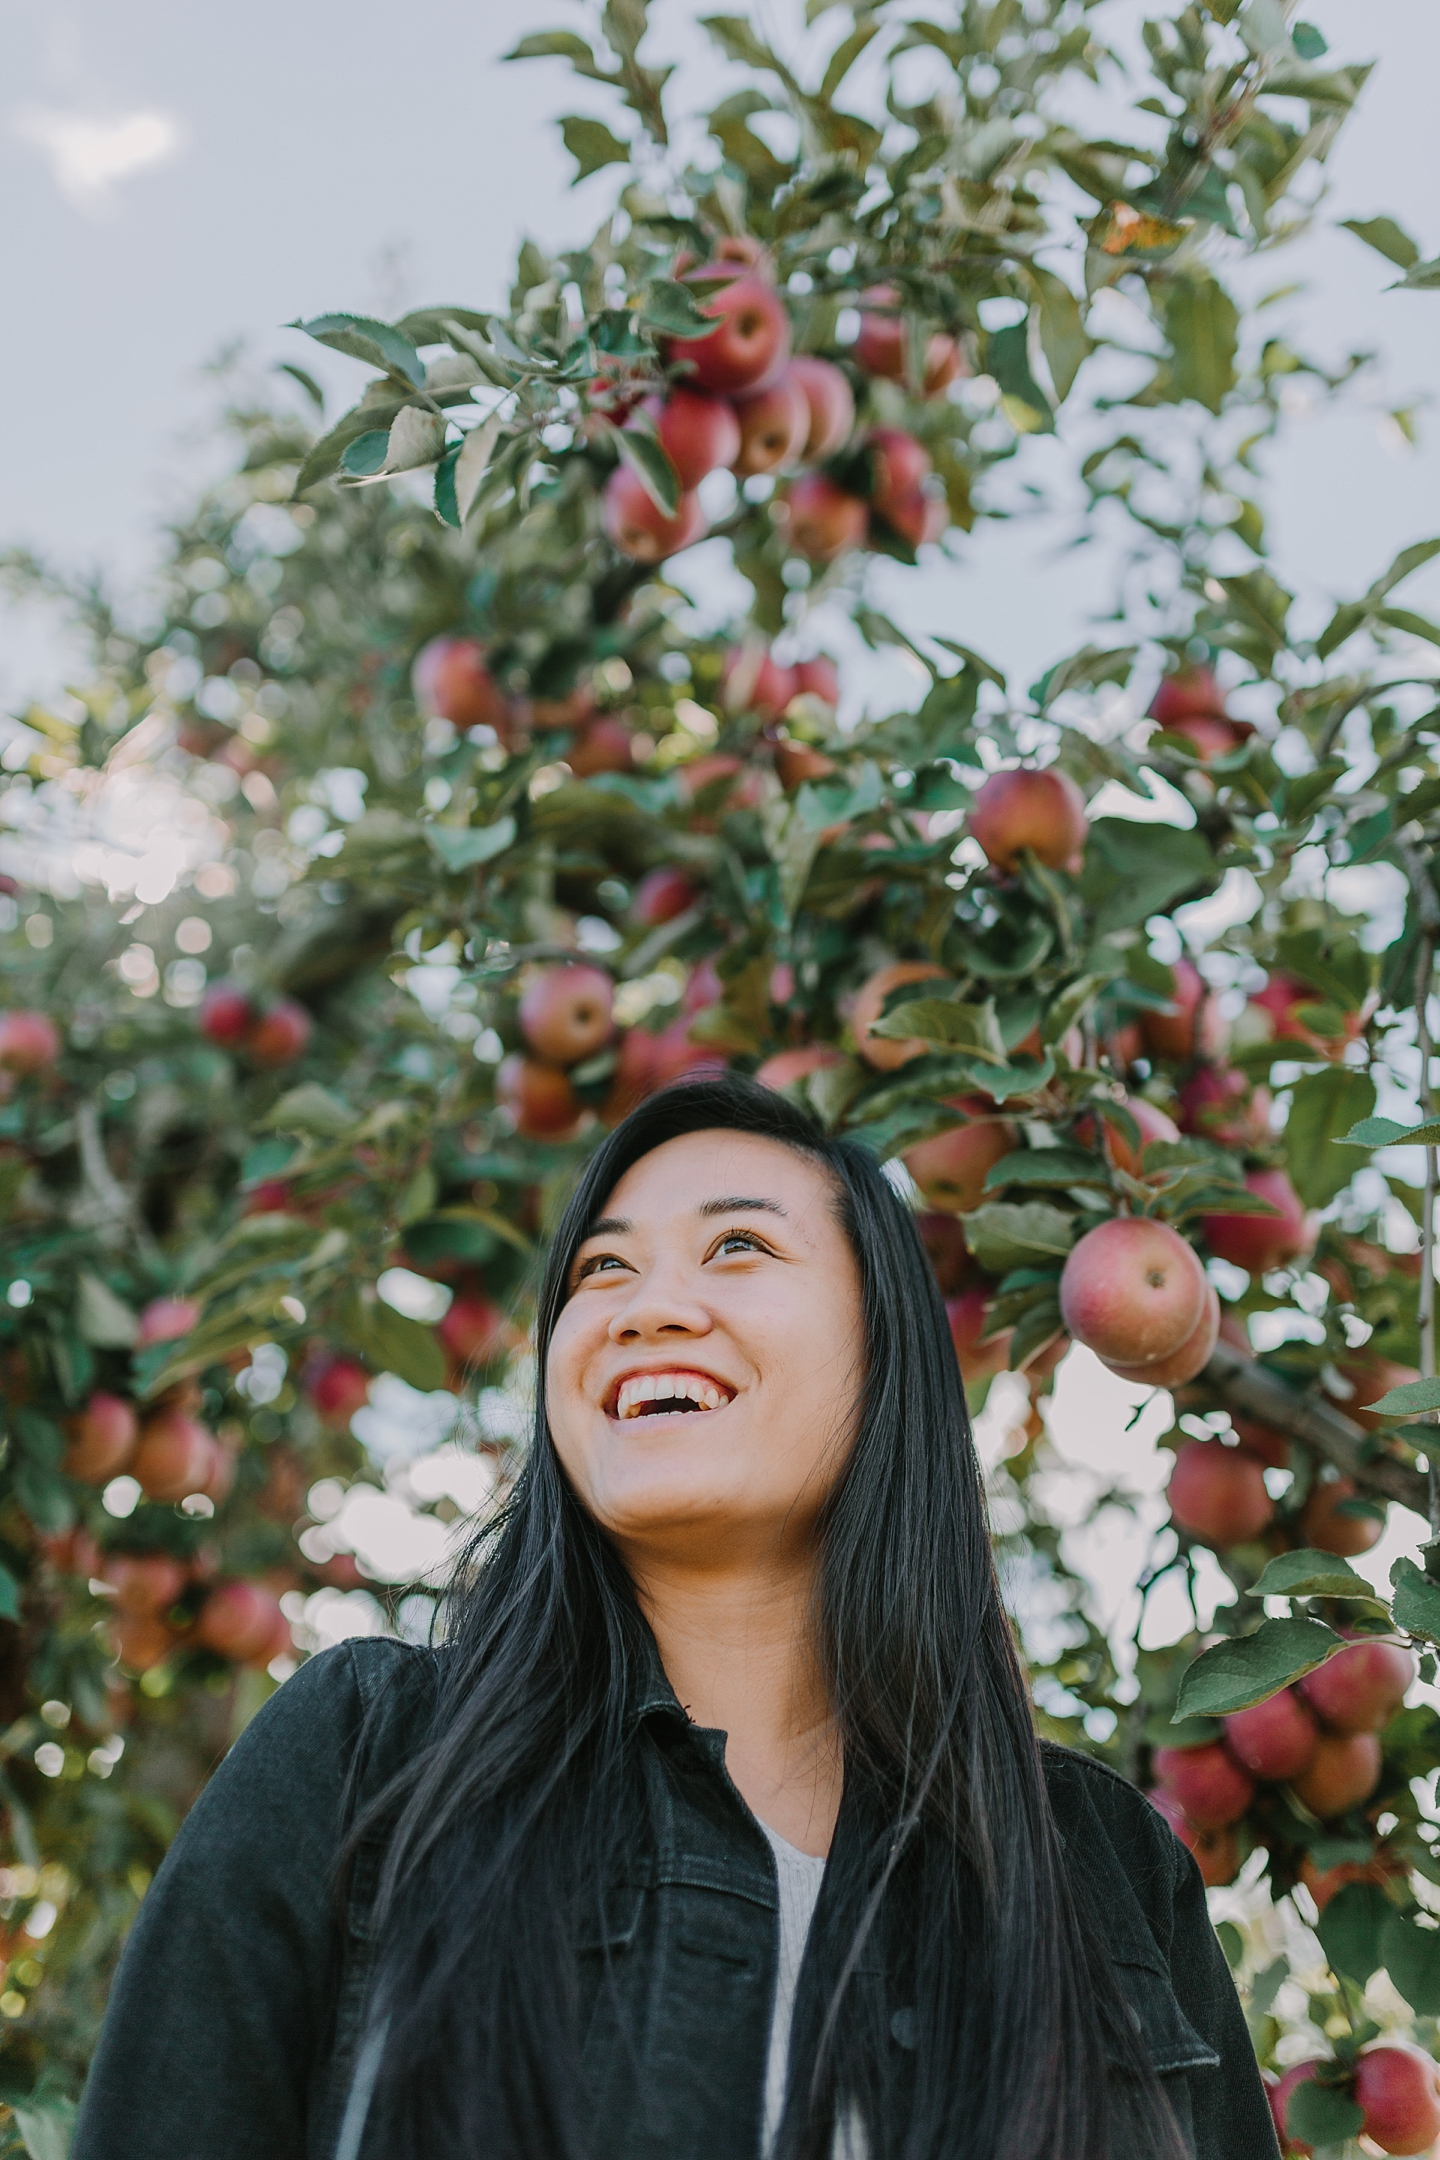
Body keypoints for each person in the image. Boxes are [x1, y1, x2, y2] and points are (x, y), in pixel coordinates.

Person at [71, 1075, 1277, 2160]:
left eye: (739, 1246)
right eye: (602, 1269)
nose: (645, 1310)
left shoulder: (1101, 1871)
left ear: (887, 1348)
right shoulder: (369, 1756)